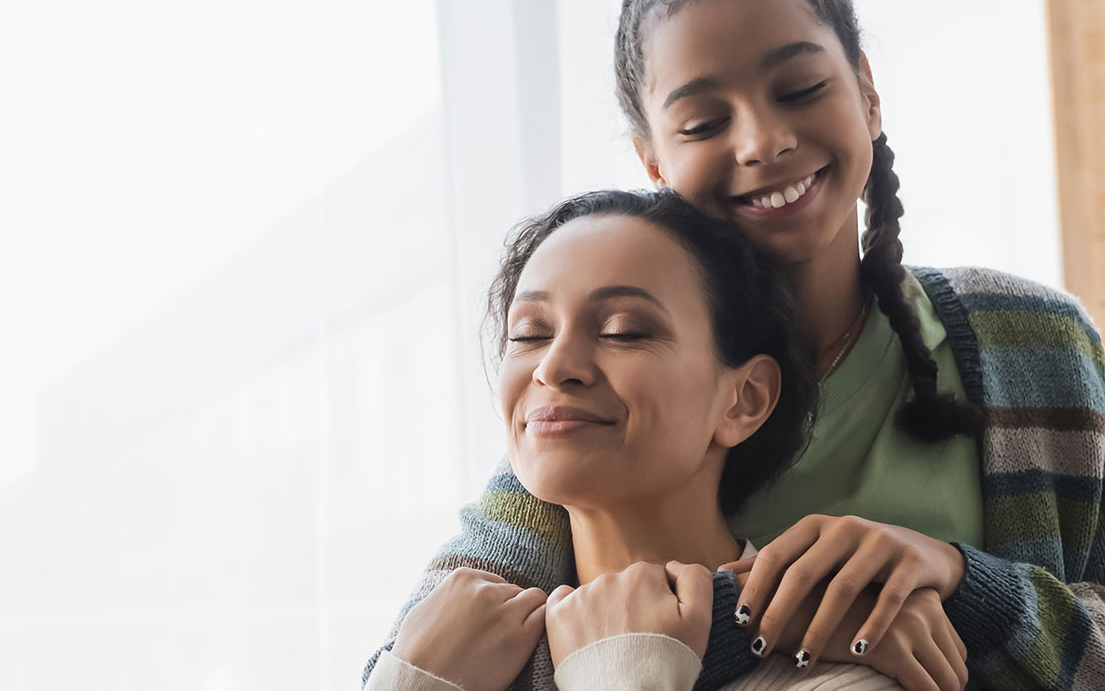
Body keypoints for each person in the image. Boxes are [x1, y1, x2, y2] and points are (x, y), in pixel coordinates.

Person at [366, 0, 1105, 689]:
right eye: (703, 120)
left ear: (867, 92)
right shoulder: (602, 402)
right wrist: (780, 629)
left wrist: (968, 587)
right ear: (651, 162)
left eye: (798, 89)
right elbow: (424, 664)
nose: (761, 140)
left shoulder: (1032, 345)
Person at [365, 190, 952, 691]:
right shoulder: (444, 646)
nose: (554, 367)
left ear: (743, 399)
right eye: (530, 334)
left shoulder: (839, 669)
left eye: (624, 331)